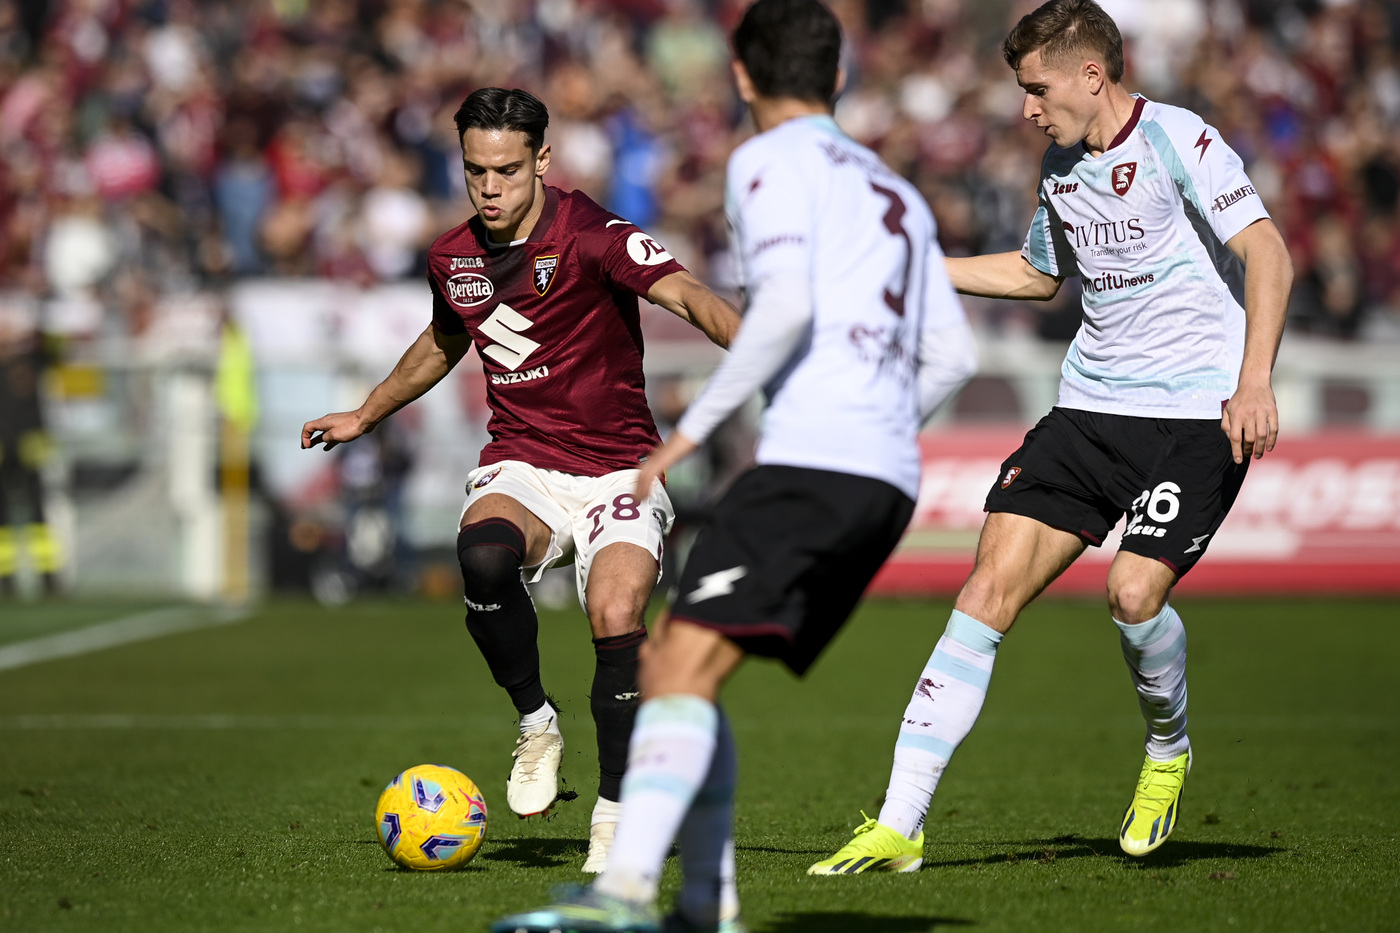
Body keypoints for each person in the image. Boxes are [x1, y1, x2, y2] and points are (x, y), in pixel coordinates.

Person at [492, 1, 976, 930]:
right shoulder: (895, 191)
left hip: (815, 460)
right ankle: (701, 906)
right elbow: (950, 358)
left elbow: (784, 307)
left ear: (745, 77)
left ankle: (626, 896)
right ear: (836, 78)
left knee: (673, 665)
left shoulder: (766, 161)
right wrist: (878, 433)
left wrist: (692, 431)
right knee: (683, 659)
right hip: (880, 472)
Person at [808, 0, 1293, 875]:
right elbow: (1039, 276)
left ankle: (1166, 749)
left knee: (1134, 594)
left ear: (1090, 75)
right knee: (985, 589)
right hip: (1089, 409)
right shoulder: (1060, 167)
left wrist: (1254, 378)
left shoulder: (1179, 138)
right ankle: (900, 822)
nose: (1028, 108)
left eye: (1037, 89)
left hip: (1196, 413)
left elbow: (1268, 252)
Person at [301, 87, 741, 873]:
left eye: (507, 169)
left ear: (542, 160)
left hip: (619, 469)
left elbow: (688, 294)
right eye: (476, 171)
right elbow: (442, 342)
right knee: (482, 556)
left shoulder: (595, 234)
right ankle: (537, 721)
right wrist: (365, 413)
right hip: (524, 458)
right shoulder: (453, 258)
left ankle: (613, 808)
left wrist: (760, 353)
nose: (490, 188)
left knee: (614, 609)